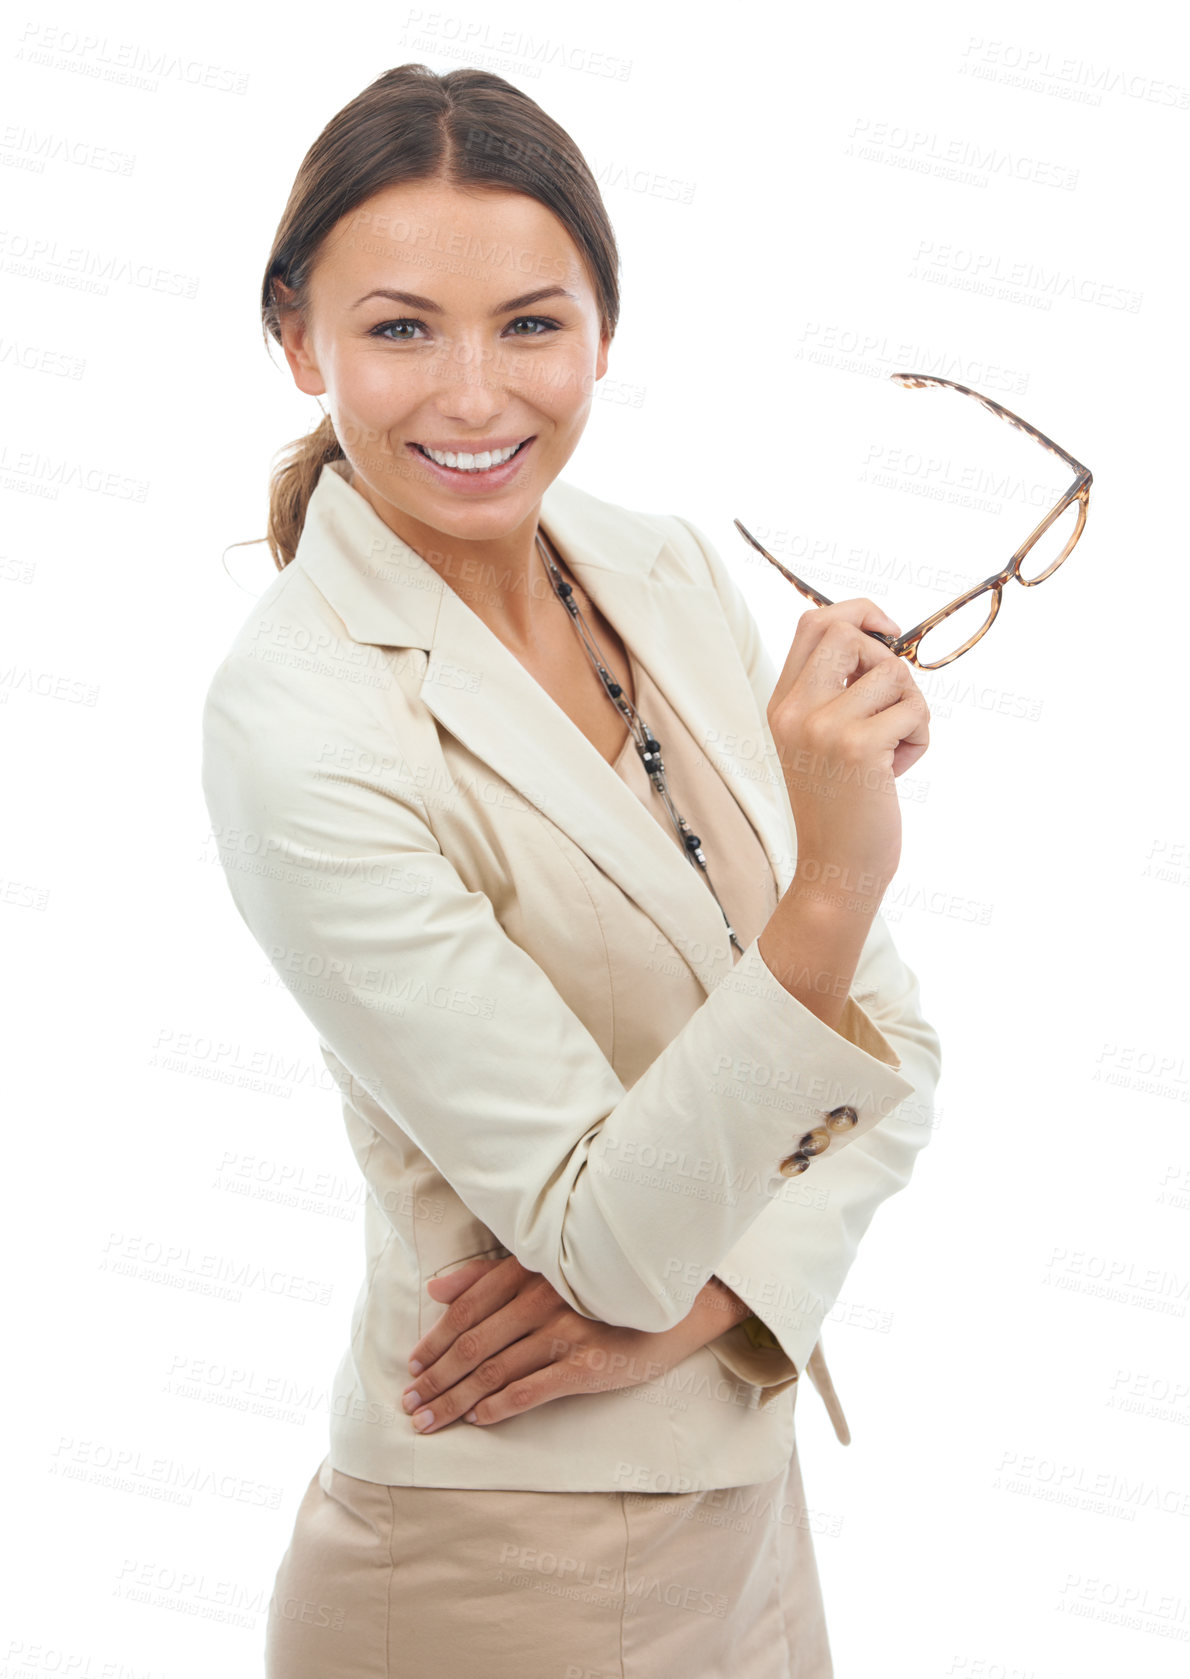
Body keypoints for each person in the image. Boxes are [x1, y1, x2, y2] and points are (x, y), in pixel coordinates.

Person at [200, 62, 941, 1679]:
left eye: (531, 325)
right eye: (400, 329)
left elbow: (896, 1063)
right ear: (296, 338)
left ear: (603, 327)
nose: (474, 397)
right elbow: (598, 1239)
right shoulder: (300, 720)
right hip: (495, 1554)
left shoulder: (660, 571)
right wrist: (830, 879)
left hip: (744, 1510)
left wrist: (715, 1304)